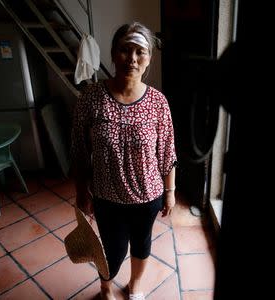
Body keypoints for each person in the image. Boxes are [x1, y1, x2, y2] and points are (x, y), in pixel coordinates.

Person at [70, 21, 177, 300]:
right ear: (113, 53)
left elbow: (167, 152)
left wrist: (170, 193)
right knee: (111, 250)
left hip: (148, 196)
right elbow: (79, 150)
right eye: (124, 50)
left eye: (140, 52)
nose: (132, 58)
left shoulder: (158, 102)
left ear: (149, 59)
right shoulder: (91, 98)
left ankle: (136, 286)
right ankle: (106, 287)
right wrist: (82, 191)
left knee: (141, 245)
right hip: (107, 197)